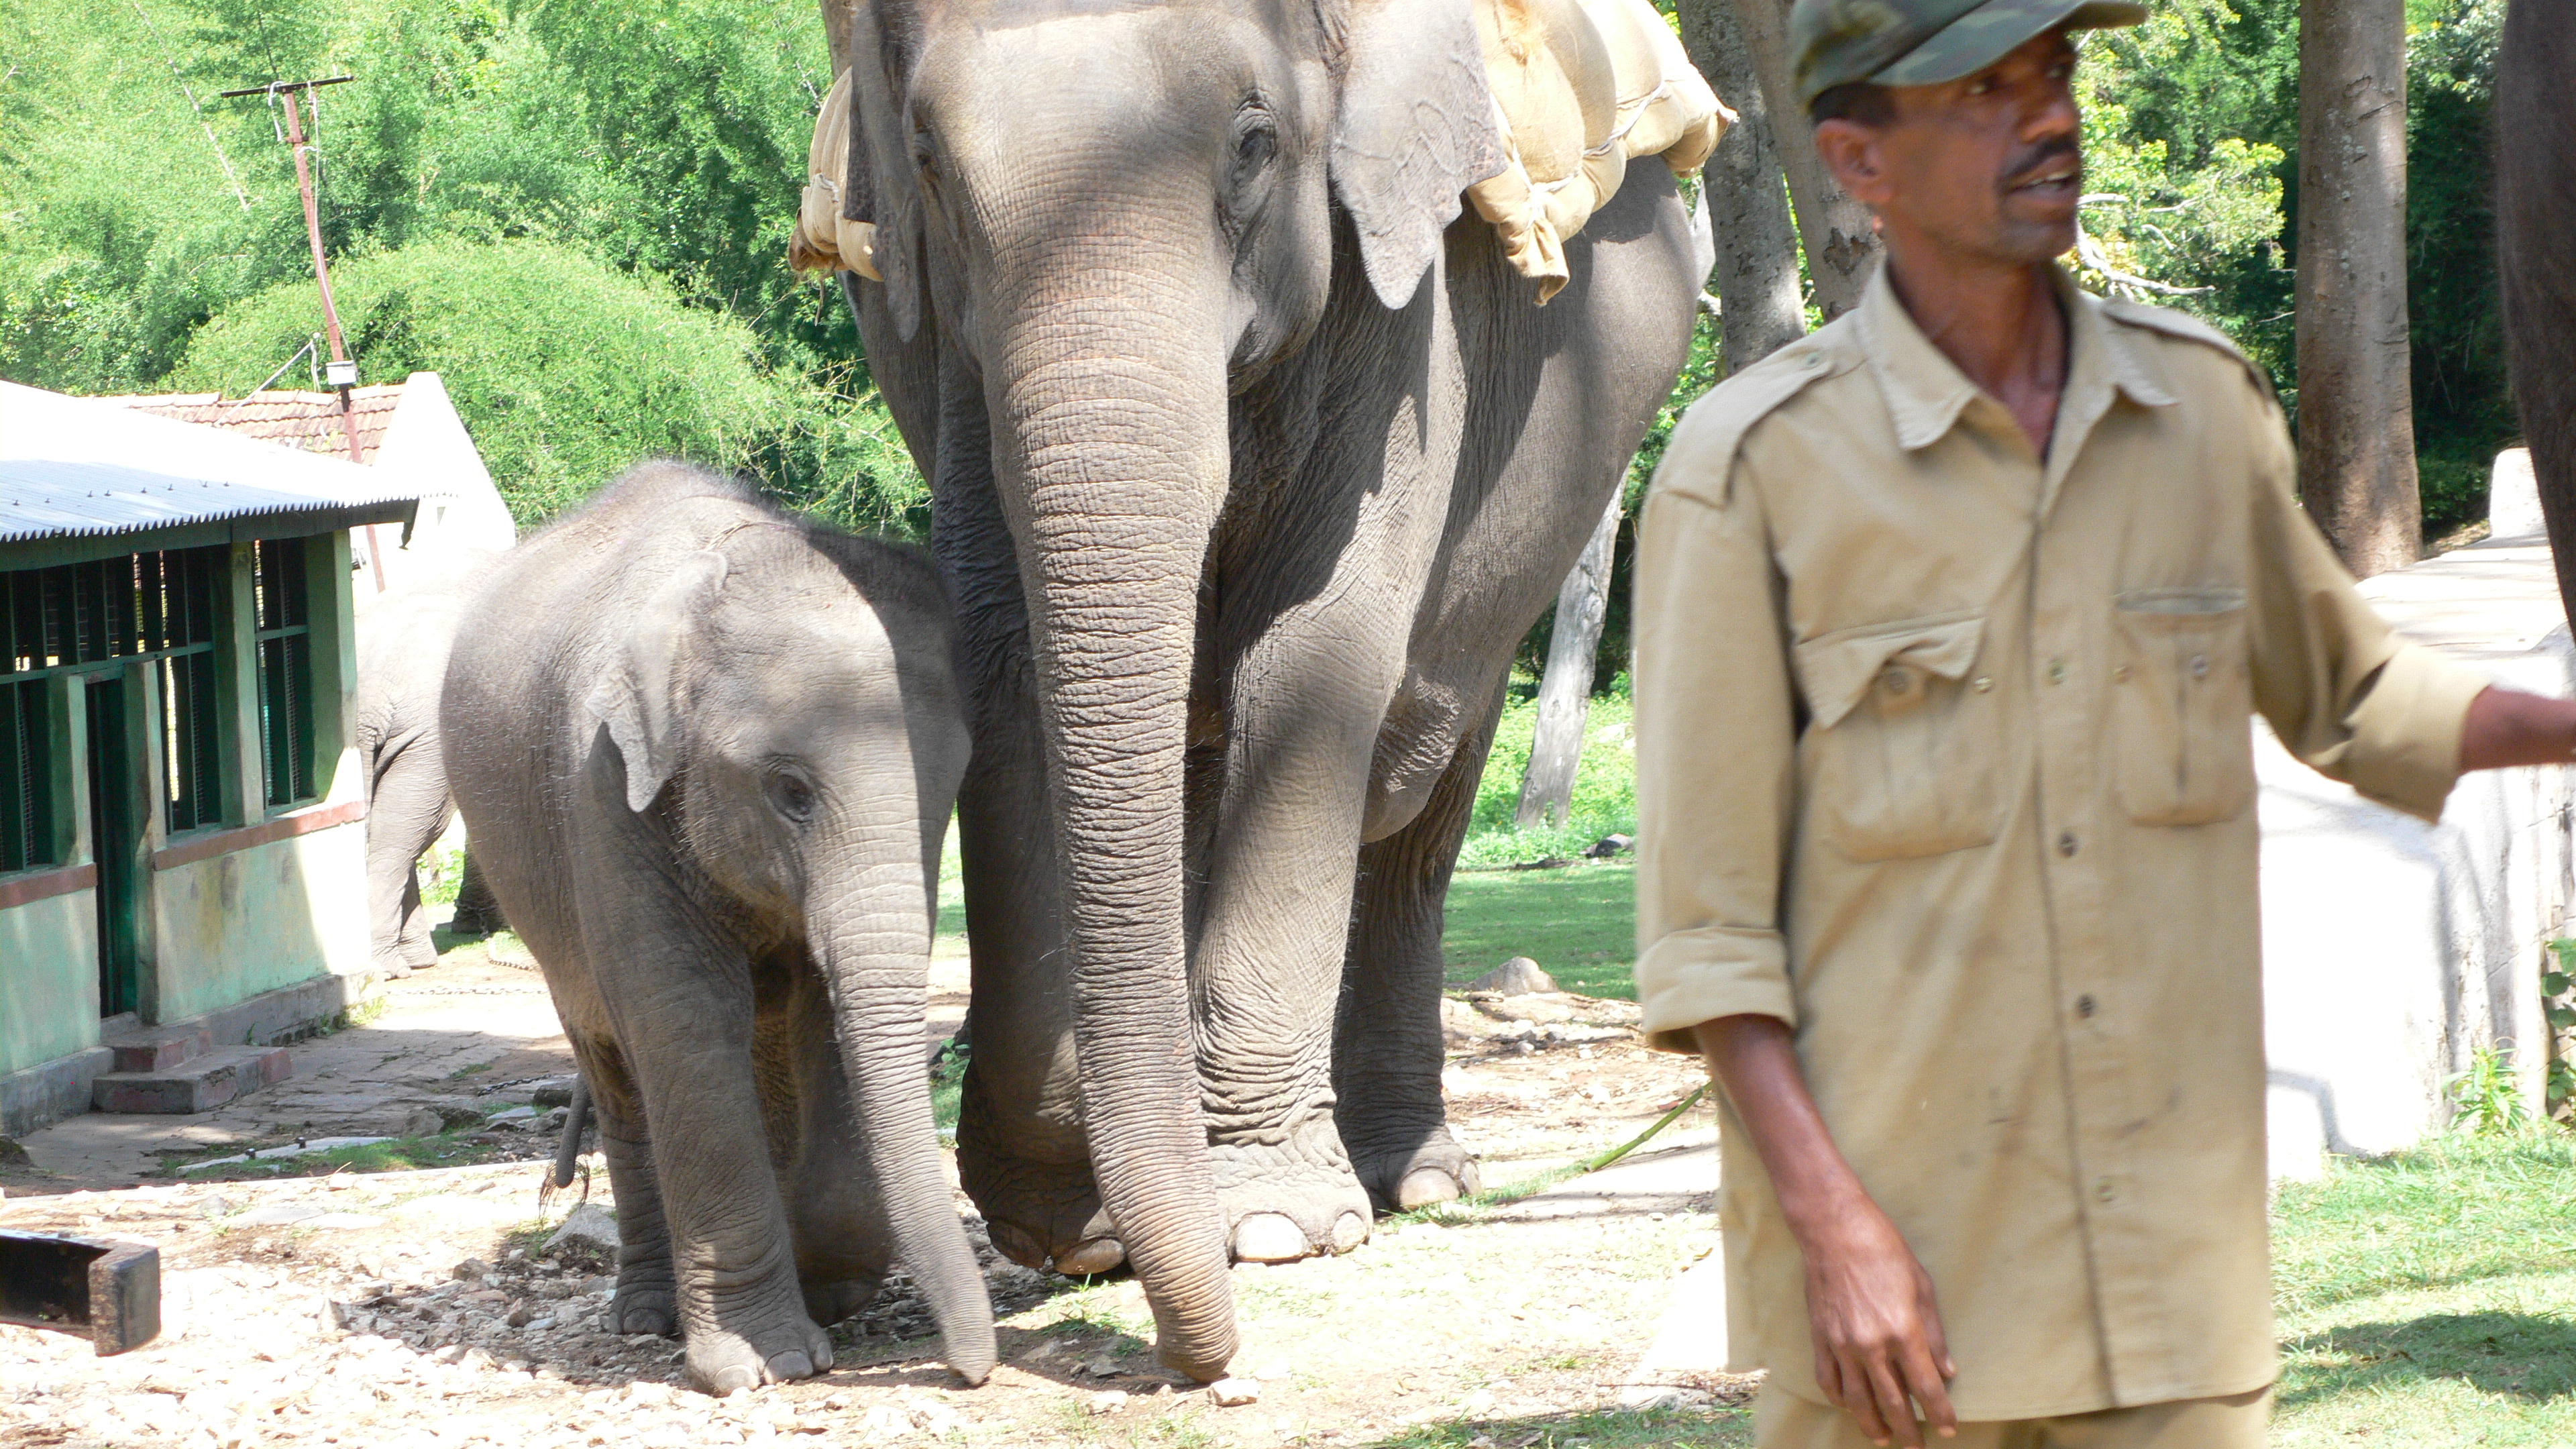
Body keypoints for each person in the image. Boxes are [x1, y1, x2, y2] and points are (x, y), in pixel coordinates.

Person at [1629, 2, 2576, 1446]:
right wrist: (1836, 1235)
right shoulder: (1752, 471)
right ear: (1858, 161)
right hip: (1902, 1327)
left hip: (2173, 1318)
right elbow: (1709, 937)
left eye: (2056, 71)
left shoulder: (2198, 410)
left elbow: (2358, 700)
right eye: (1986, 88)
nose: (2050, 115)